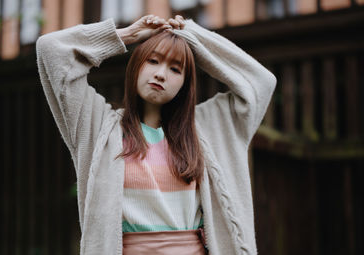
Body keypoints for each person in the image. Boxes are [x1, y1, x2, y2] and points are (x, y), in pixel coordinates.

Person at [36, 14, 276, 255]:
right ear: (136, 65)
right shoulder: (98, 126)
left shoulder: (209, 126)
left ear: (185, 83)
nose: (161, 74)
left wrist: (192, 36)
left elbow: (261, 82)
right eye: (153, 61)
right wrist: (127, 35)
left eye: (175, 68)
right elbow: (51, 49)